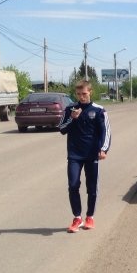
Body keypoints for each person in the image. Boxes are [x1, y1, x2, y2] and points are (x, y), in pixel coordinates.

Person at [58, 79, 111, 232]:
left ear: (90, 92)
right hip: (74, 154)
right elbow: (62, 129)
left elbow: (105, 132)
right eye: (79, 94)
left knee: (92, 187)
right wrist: (73, 119)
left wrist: (104, 149)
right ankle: (77, 218)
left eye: (84, 94)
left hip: (92, 154)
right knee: (73, 185)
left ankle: (90, 217)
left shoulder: (99, 110)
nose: (82, 97)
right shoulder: (70, 109)